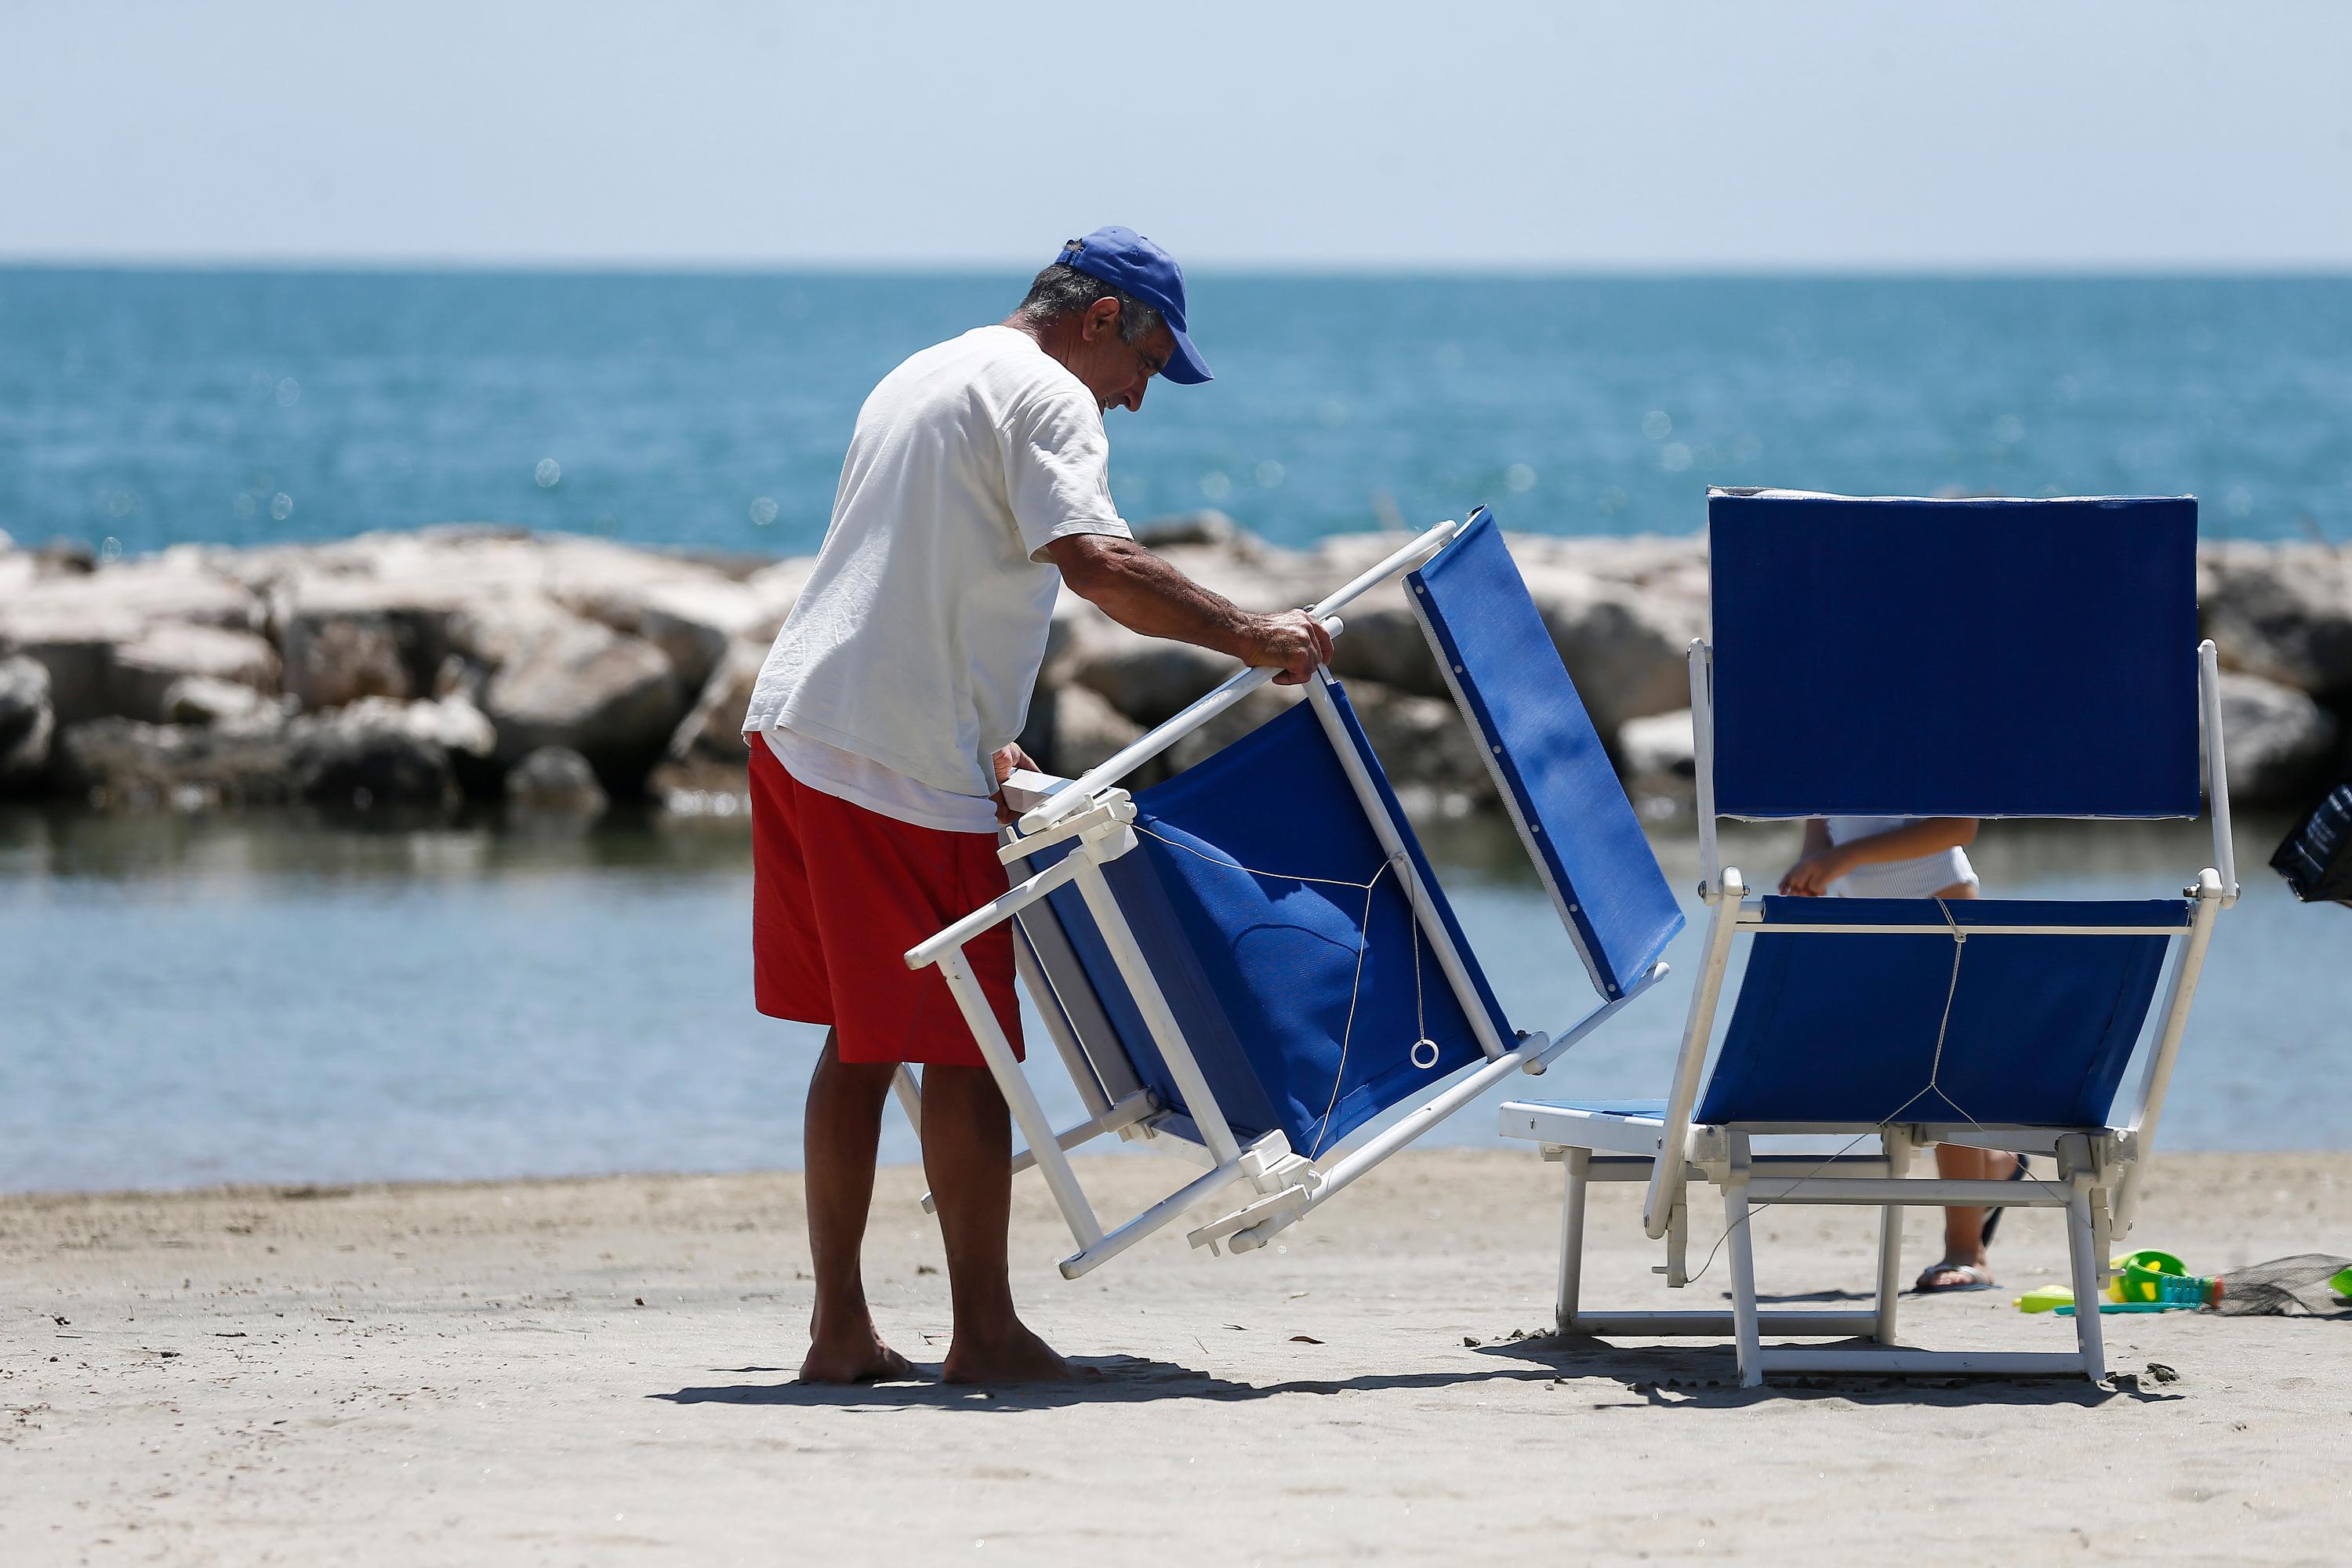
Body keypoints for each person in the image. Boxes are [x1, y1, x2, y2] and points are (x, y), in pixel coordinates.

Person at [741, 227, 1333, 1385]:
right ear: (1102, 317)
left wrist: (983, 730)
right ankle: (985, 1333)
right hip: (893, 758)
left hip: (800, 723)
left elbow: (914, 565)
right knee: (968, 1047)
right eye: (1146, 364)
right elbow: (1098, 563)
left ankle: (841, 1331)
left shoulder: (928, 368)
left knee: (861, 1039)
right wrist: (1251, 634)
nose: (1139, 398)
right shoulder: (1050, 394)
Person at [1777, 815, 2024, 1293]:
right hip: (1864, 916)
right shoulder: (1817, 759)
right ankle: (1996, 1167)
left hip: (1941, 905)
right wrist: (1813, 865)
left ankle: (1966, 1251)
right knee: (1894, 1078)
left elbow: (1958, 826)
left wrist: (1843, 857)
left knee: (1946, 1083)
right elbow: (1820, 815)